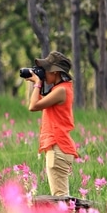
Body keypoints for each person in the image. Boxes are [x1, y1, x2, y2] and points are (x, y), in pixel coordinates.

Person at [24, 51, 78, 197]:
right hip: (58, 148)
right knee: (61, 197)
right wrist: (37, 84)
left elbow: (33, 106)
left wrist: (37, 83)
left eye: (45, 70)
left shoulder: (61, 90)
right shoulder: (60, 89)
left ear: (55, 72)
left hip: (57, 148)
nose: (43, 73)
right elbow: (39, 102)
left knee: (60, 199)